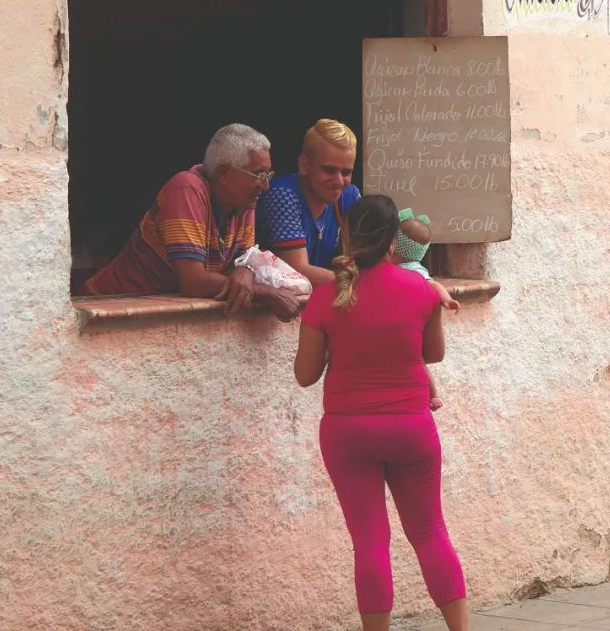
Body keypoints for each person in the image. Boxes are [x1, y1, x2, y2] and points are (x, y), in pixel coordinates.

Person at [294, 195, 468, 631]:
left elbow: (305, 376)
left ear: (346, 236)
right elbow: (433, 354)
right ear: (394, 241)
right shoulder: (421, 290)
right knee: (430, 533)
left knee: (370, 542)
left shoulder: (327, 296)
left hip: (347, 432)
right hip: (411, 427)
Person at [83, 123, 299, 321]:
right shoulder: (186, 189)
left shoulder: (243, 203)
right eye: (258, 175)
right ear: (224, 173)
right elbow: (193, 282)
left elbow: (242, 265)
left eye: (267, 175)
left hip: (159, 313)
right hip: (108, 306)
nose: (265, 186)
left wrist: (246, 270)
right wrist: (265, 292)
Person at [255, 119, 361, 286]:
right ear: (304, 165)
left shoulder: (349, 195)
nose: (339, 181)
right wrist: (360, 284)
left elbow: (370, 257)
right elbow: (298, 270)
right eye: (329, 170)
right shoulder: (283, 193)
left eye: (346, 172)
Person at [389, 208, 460, 412]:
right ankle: (432, 394)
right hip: (408, 326)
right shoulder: (416, 269)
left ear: (394, 245)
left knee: (418, 361)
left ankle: (434, 394)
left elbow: (434, 285)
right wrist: (447, 300)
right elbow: (435, 285)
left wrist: (446, 299)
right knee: (418, 362)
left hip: (404, 327)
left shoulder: (411, 270)